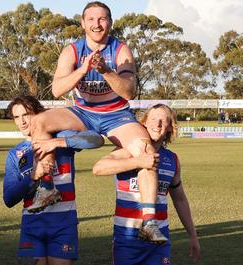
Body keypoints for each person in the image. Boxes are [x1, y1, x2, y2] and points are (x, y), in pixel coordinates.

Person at [25, 1, 166, 245]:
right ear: (82, 23)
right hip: (83, 112)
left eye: (102, 19)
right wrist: (83, 70)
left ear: (110, 23)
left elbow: (129, 92)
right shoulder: (72, 50)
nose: (96, 24)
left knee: (146, 150)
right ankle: (47, 188)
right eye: (91, 19)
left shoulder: (120, 50)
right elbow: (57, 89)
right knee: (39, 122)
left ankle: (149, 222)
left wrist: (105, 71)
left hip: (116, 115)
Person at [92, 104, 201, 265]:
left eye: (164, 121)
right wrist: (137, 161)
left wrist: (193, 235)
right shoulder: (126, 150)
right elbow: (98, 167)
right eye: (154, 119)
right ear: (144, 122)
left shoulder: (172, 160)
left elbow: (180, 198)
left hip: (158, 239)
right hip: (127, 239)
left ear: (170, 127)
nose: (159, 124)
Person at [3, 96, 104, 265]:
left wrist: (58, 142)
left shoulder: (63, 141)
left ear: (39, 113)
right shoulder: (16, 154)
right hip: (32, 230)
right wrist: (32, 176)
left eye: (26, 113)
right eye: (16, 117)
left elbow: (96, 140)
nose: (23, 120)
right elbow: (9, 197)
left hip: (63, 228)